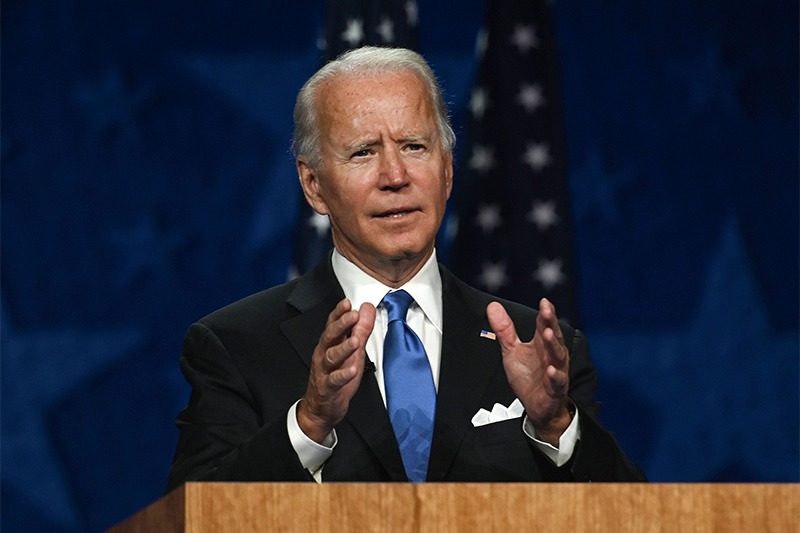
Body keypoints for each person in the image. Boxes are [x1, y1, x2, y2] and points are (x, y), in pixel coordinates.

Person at [166, 46, 645, 490]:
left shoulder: (537, 348)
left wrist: (556, 426)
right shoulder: (236, 346)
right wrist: (310, 422)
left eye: (414, 146)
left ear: (448, 168)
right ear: (313, 185)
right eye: (363, 152)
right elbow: (193, 516)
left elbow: (634, 514)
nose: (395, 177)